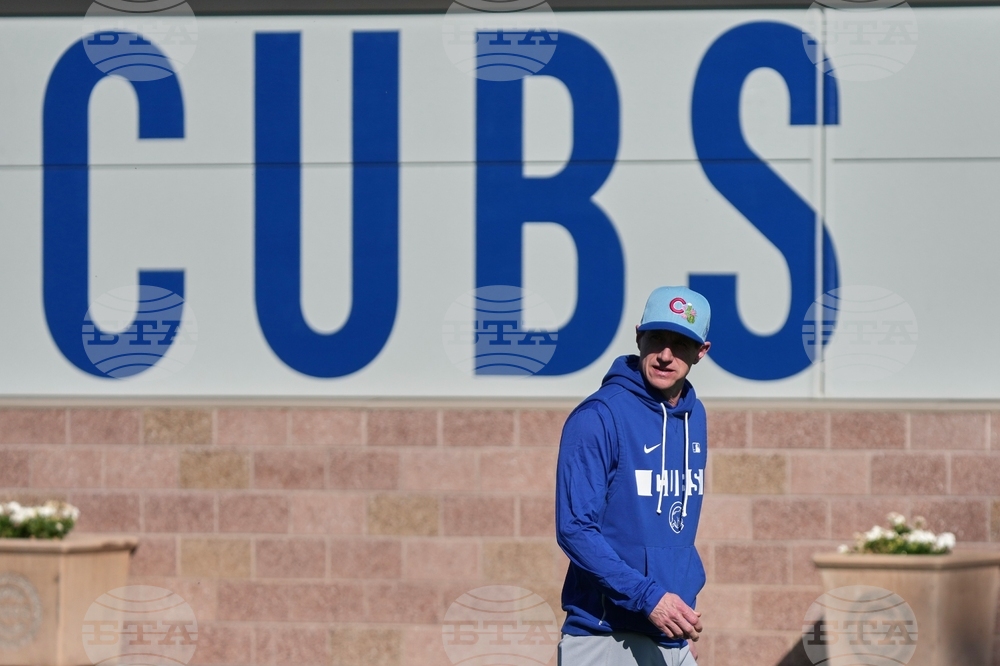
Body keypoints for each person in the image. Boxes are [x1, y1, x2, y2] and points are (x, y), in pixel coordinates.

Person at [555, 286, 712, 666]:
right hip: (606, 636)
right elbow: (575, 528)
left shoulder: (696, 416)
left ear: (701, 351)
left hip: (670, 635)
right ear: (639, 336)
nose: (665, 355)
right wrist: (648, 597)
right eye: (657, 338)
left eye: (680, 342)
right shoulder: (598, 416)